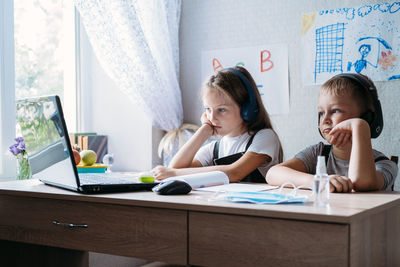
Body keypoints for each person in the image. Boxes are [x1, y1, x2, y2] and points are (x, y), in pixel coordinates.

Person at [266, 73, 398, 192]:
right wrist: (318, 181)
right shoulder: (318, 154)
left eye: (335, 111)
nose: (325, 119)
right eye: (321, 113)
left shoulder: (383, 164)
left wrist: (360, 126)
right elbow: (272, 174)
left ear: (367, 117)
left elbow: (360, 182)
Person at [152, 66, 282, 183]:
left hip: (254, 209)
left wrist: (174, 173)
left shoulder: (265, 137)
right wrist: (203, 132)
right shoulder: (215, 147)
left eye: (222, 110)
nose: (212, 118)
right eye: (208, 109)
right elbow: (175, 168)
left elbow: (234, 173)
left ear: (246, 109)